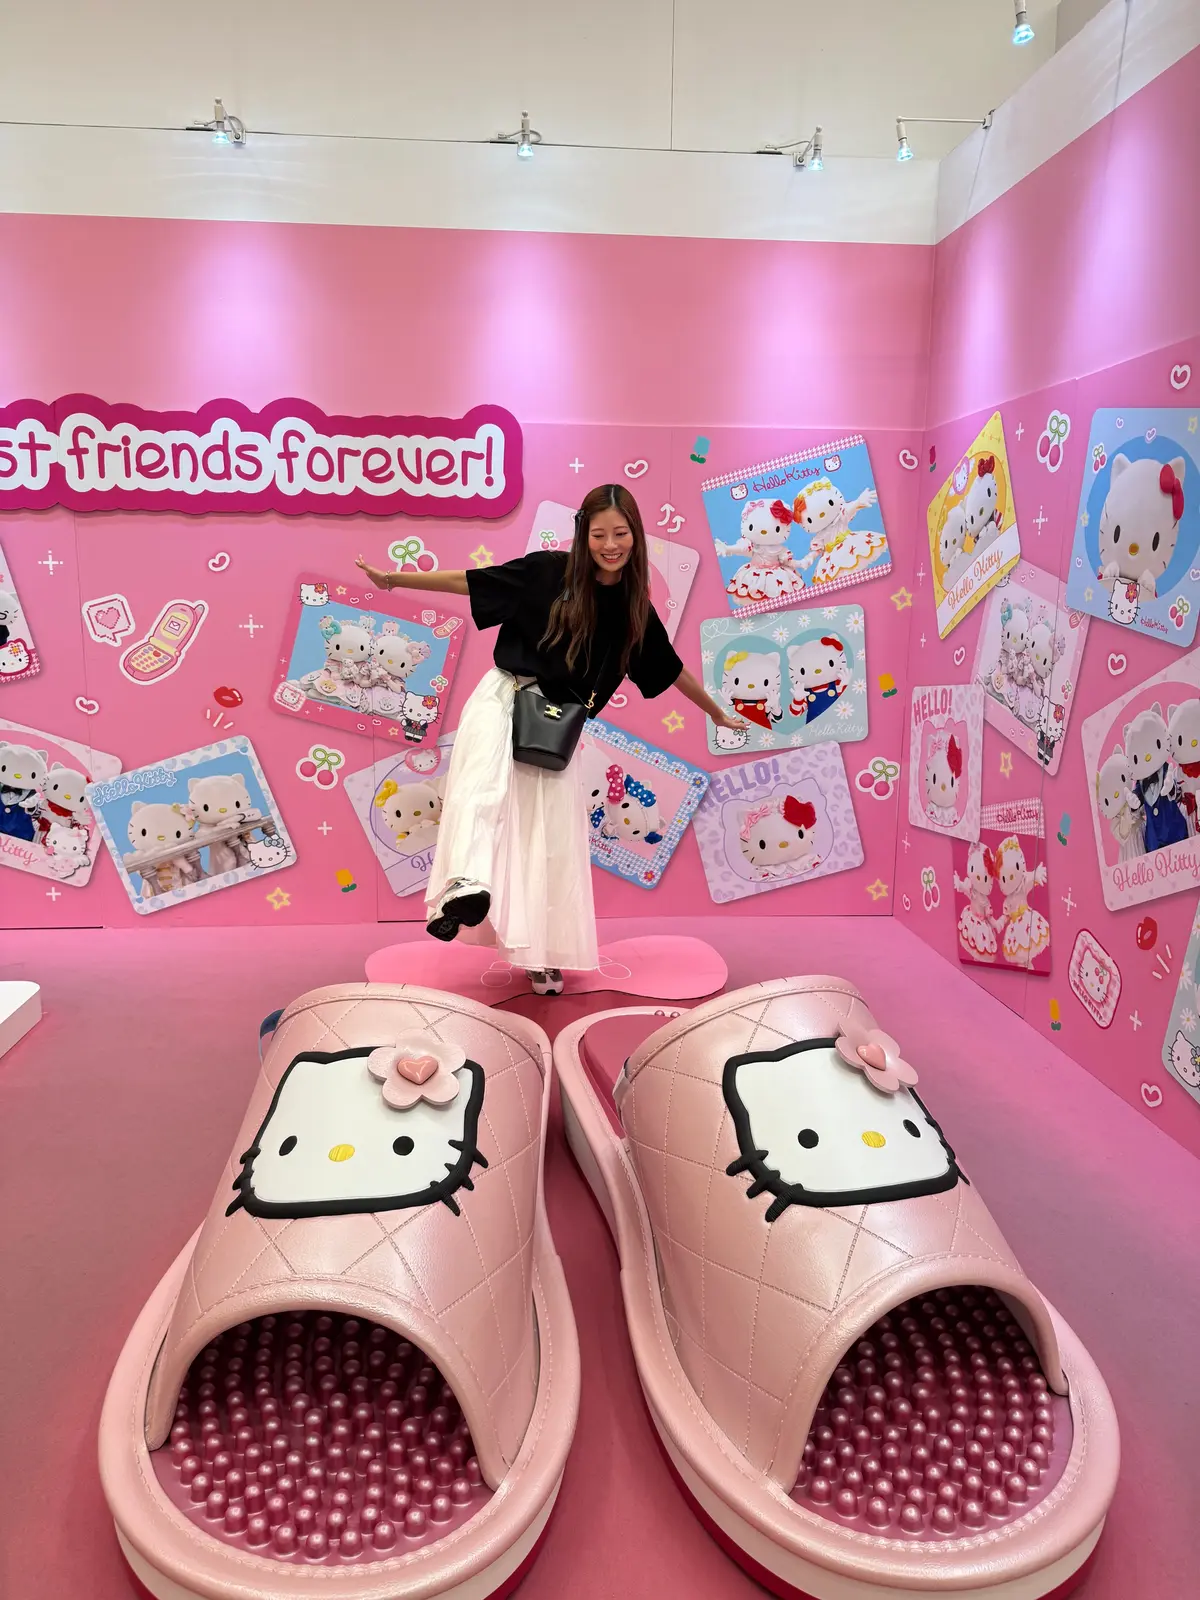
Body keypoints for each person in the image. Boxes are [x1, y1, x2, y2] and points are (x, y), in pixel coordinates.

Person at [356, 483, 744, 995]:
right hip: (504, 696)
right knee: (479, 790)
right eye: (599, 534)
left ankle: (539, 955)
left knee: (548, 841)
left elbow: (669, 669)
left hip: (556, 723)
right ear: (583, 534)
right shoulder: (546, 571)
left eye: (620, 533)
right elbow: (471, 581)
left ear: (635, 535)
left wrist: (717, 713)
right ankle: (465, 887)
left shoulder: (634, 608)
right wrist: (392, 579)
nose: (610, 545)